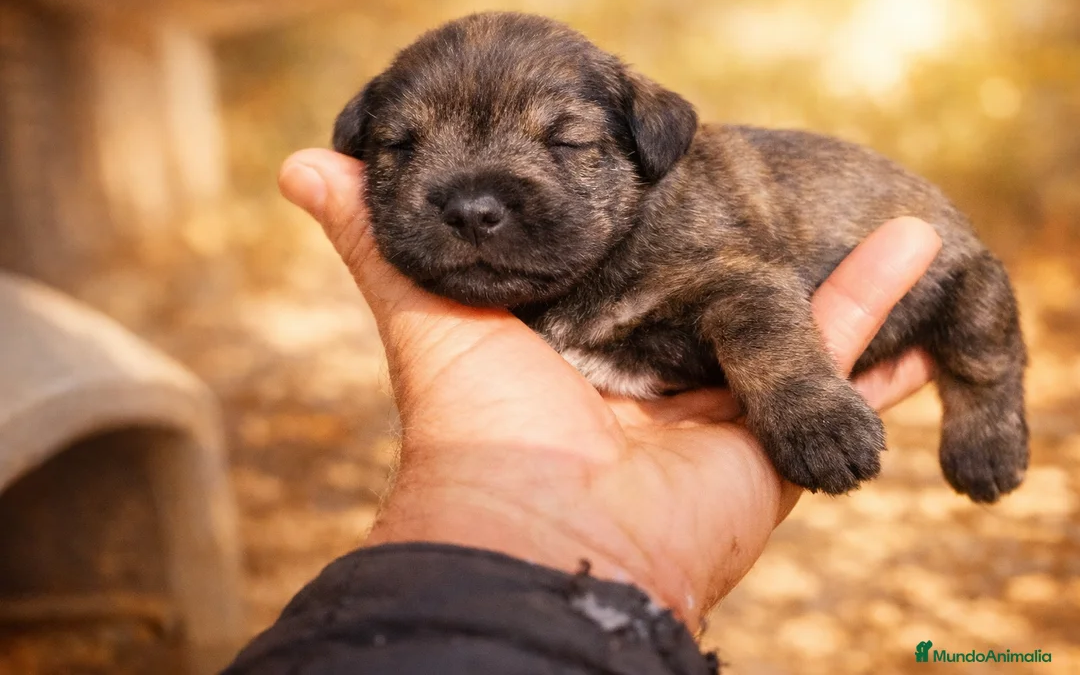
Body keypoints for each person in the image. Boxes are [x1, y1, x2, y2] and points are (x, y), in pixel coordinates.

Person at [223, 149, 941, 674]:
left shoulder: (680, 232)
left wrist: (793, 390)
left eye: (562, 145)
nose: (474, 206)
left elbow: (740, 293)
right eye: (407, 149)